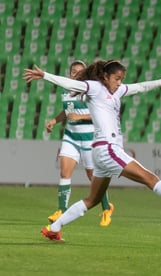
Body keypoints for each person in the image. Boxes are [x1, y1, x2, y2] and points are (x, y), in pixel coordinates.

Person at [23, 60, 161, 241]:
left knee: (92, 199)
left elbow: (140, 87)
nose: (120, 82)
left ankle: (53, 229)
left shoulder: (118, 90)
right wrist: (45, 75)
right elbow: (70, 82)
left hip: (101, 151)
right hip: (108, 148)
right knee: (150, 179)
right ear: (105, 76)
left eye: (121, 79)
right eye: (117, 78)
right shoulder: (95, 88)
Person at [46, 60, 114, 227]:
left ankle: (106, 208)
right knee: (64, 172)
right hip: (71, 136)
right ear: (69, 73)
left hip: (89, 139)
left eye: (79, 71)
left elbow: (101, 113)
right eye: (73, 71)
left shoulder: (90, 90)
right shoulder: (66, 90)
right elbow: (68, 110)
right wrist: (55, 120)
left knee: (93, 177)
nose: (76, 73)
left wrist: (80, 117)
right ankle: (61, 210)